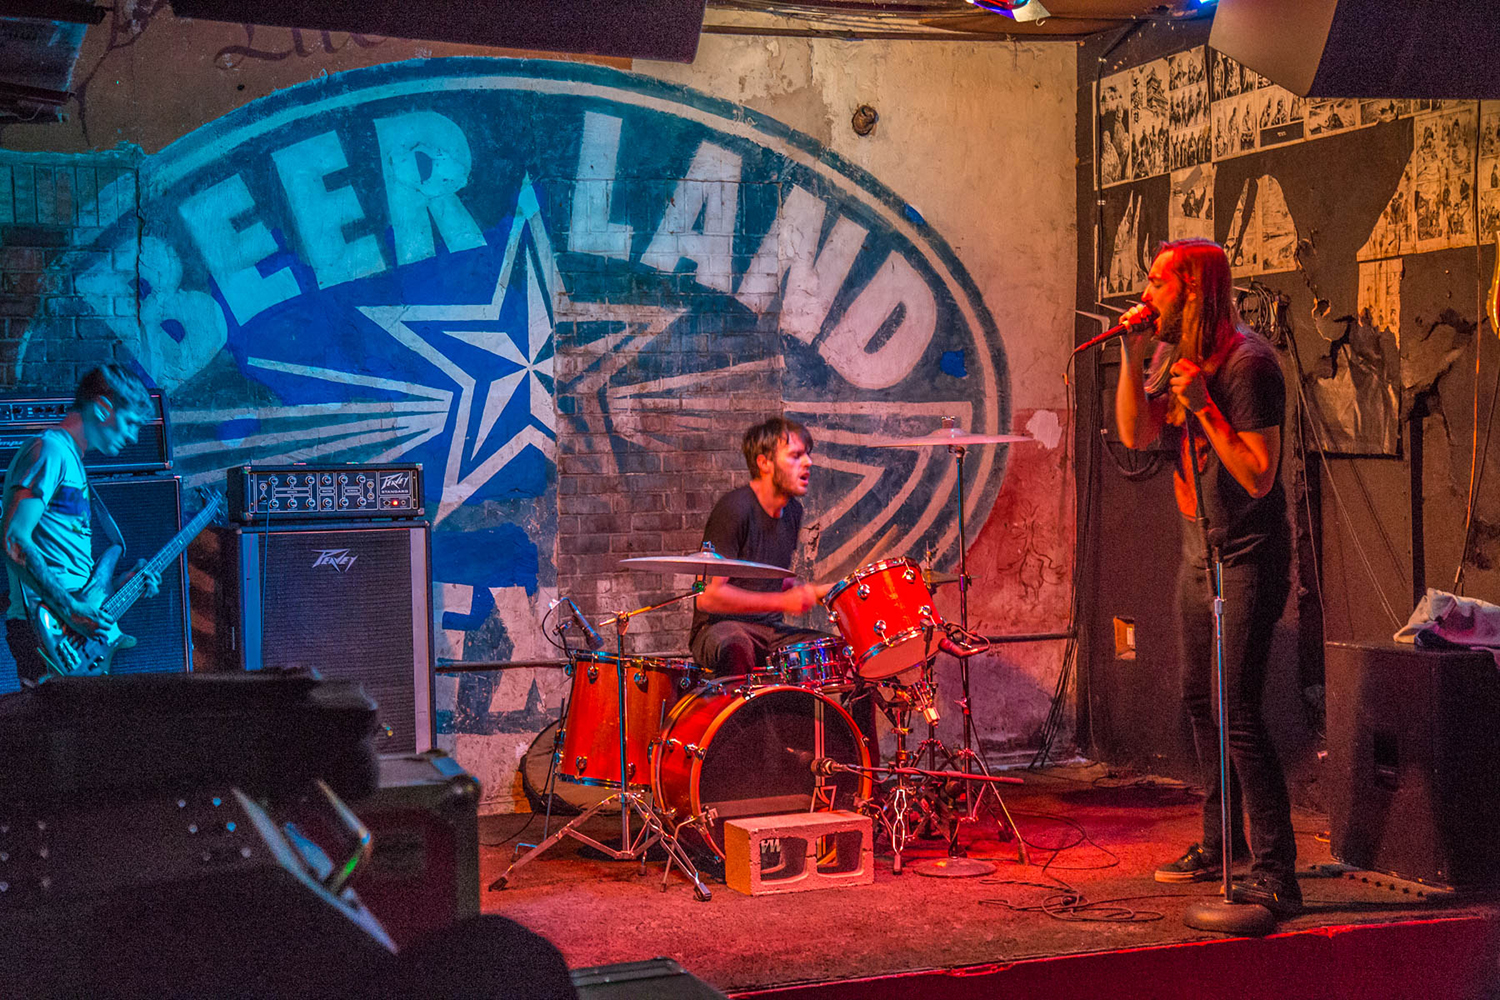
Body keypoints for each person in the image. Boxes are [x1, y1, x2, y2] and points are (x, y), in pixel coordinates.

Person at [1114, 239, 1299, 917]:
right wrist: (1134, 360)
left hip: (1248, 553)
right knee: (1201, 701)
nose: (1146, 295)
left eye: (1158, 284)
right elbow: (1135, 435)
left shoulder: (1250, 364)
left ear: (1194, 290)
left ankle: (1278, 870)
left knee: (1239, 712)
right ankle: (1221, 848)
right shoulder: (1171, 357)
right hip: (1200, 551)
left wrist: (1206, 408)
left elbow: (1258, 473)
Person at [689, 417, 879, 761]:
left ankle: (863, 774)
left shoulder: (792, 510)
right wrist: (783, 598)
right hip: (716, 630)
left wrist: (809, 589)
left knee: (854, 657)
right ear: (764, 462)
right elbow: (709, 596)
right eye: (795, 455)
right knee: (735, 644)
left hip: (770, 630)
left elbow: (767, 575)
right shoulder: (733, 510)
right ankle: (751, 762)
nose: (808, 462)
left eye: (807, 455)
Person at [2, 364, 161, 687]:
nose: (133, 437)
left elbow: (67, 570)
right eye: (130, 423)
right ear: (103, 408)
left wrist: (119, 583)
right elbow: (13, 539)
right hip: (46, 628)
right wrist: (73, 611)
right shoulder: (50, 451)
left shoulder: (73, 463)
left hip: (71, 632)